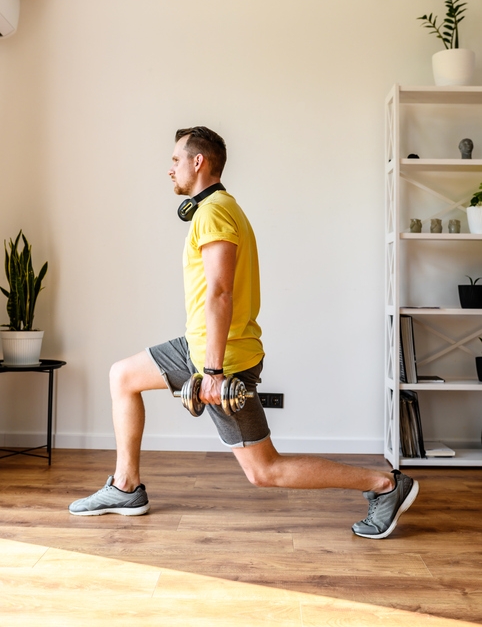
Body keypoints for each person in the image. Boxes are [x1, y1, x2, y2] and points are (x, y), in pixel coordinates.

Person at [69, 126, 419, 539]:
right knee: (122, 376)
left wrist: (214, 374)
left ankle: (386, 485)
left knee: (264, 470)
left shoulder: (215, 212)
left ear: (198, 162)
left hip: (223, 358)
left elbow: (220, 293)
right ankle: (125, 487)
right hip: (197, 346)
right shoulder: (216, 208)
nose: (170, 170)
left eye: (176, 160)